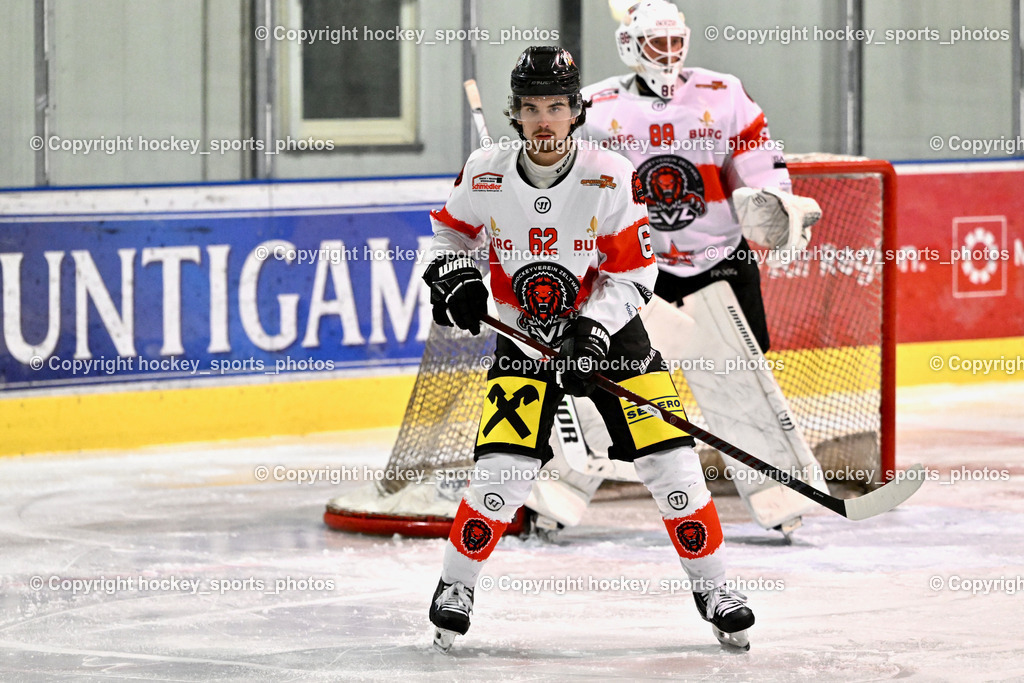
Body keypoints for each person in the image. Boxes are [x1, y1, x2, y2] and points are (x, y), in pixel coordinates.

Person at [422, 45, 754, 654]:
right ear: (515, 114)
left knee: (670, 461)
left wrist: (594, 330)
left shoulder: (609, 175)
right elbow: (448, 233)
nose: (543, 120)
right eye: (529, 108)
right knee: (503, 472)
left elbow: (634, 275)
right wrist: (454, 276)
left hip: (612, 335)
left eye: (555, 106)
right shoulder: (485, 171)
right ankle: (455, 587)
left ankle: (715, 590)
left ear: (575, 111)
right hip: (525, 338)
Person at [578, 0, 825, 534]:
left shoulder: (723, 92)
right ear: (630, 47)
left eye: (675, 43)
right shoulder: (594, 106)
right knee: (609, 382)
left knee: (742, 384)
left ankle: (782, 502)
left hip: (720, 261)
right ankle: (554, 493)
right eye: (655, 44)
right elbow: (573, 179)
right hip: (639, 270)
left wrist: (775, 203)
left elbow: (757, 161)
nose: (667, 54)